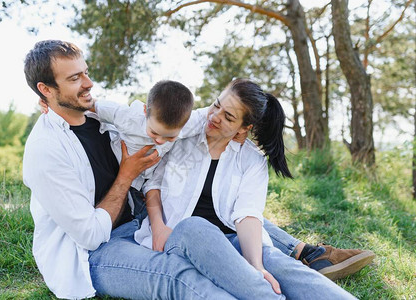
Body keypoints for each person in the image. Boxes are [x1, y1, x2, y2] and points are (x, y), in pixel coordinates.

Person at [23, 40, 370, 299]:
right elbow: (89, 235)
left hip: (143, 223)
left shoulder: (112, 118)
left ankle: (299, 258)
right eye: (74, 78)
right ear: (46, 91)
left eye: (85, 72)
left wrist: (259, 264)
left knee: (252, 250)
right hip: (98, 249)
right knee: (178, 274)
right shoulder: (46, 150)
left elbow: (181, 116)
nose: (88, 83)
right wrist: (128, 175)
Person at [134, 78, 364, 298]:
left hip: (229, 240)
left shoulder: (251, 160)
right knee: (198, 230)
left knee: (278, 263)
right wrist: (158, 227)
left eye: (228, 117)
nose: (214, 117)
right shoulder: (181, 135)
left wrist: (257, 267)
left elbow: (248, 215)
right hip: (181, 235)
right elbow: (152, 182)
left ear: (244, 129)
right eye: (216, 105)